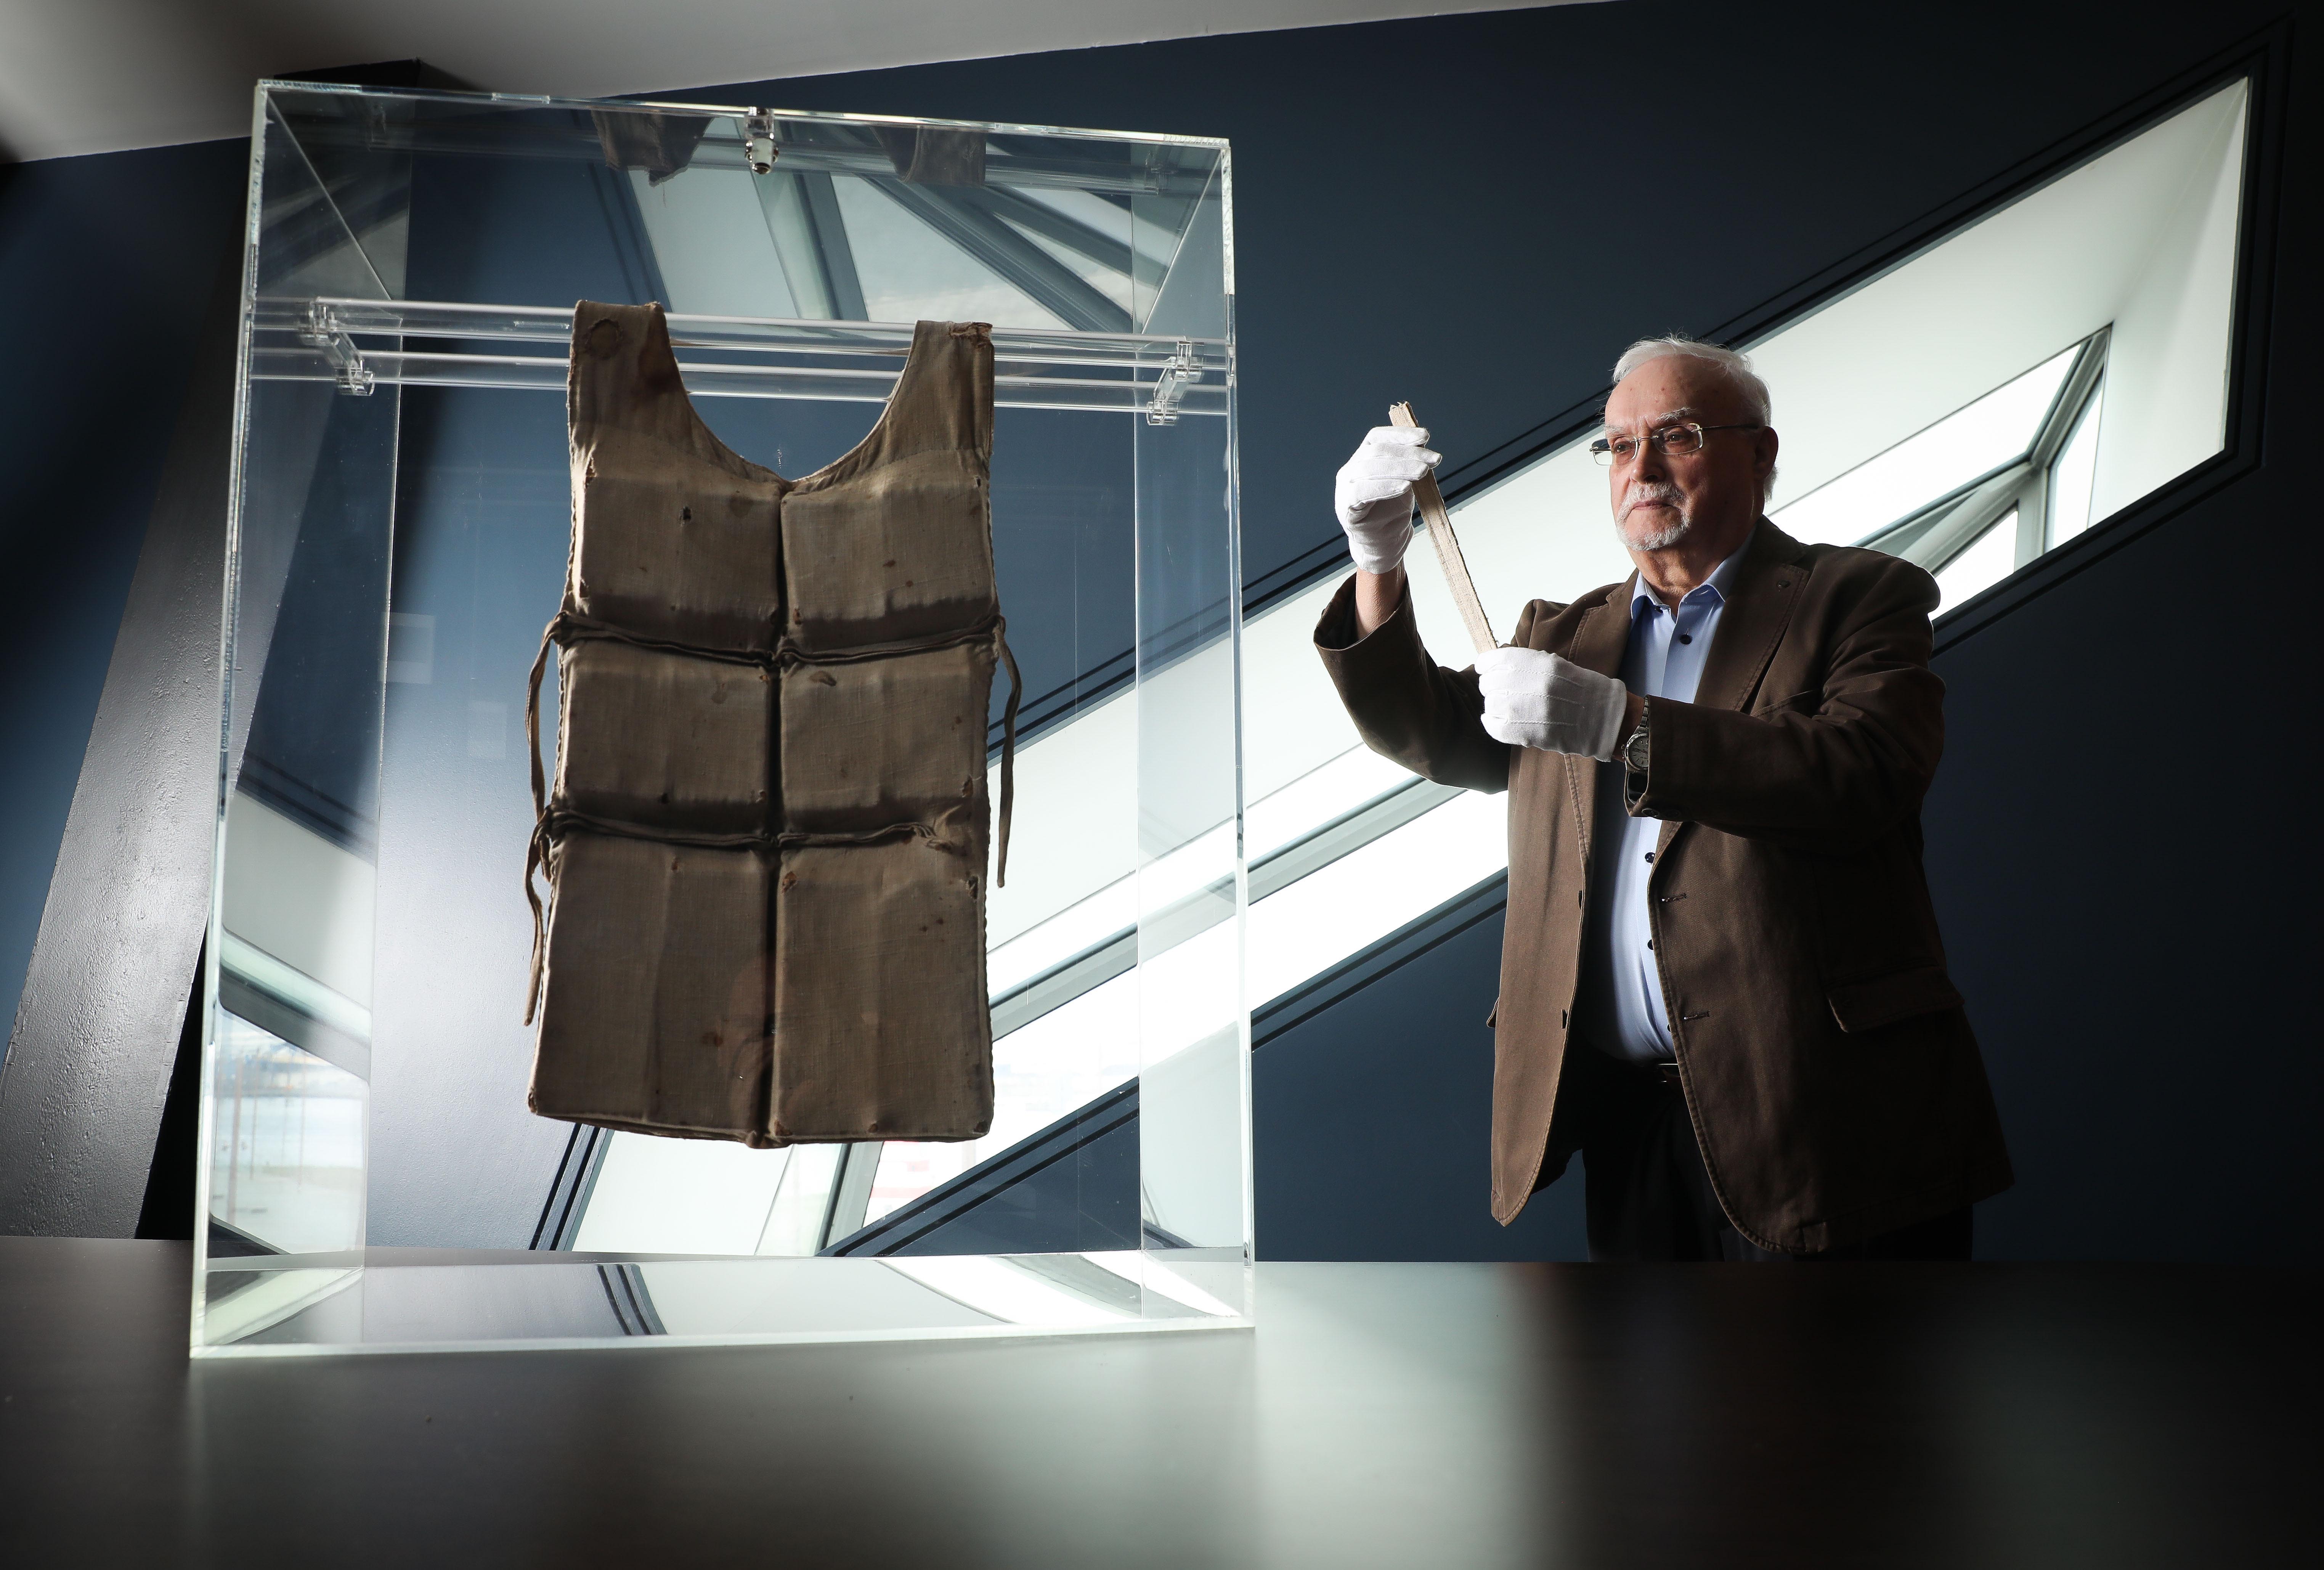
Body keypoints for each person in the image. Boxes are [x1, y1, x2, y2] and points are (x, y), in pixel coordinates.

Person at [1314, 337, 2012, 1260]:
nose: (1639, 467)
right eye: (1617, 444)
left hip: (1818, 1115)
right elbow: (1435, 732)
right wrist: (1376, 562)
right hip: (1626, 1121)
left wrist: (1624, 726)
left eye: (1675, 436)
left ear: (1759, 455)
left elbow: (1863, 772)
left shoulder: (1859, 596)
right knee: (1644, 1407)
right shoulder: (1560, 637)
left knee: (1848, 1400)